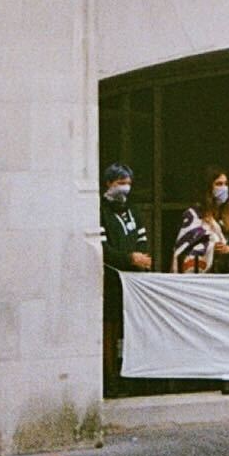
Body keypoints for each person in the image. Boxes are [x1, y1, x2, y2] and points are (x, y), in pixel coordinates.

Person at [99, 162, 152, 387]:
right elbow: (103, 248)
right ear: (109, 184)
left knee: (131, 325)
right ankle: (110, 376)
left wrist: (141, 257)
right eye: (121, 183)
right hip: (111, 279)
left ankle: (131, 375)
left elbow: (142, 238)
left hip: (134, 280)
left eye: (128, 184)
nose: (125, 188)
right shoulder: (100, 211)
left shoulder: (133, 210)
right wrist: (129, 258)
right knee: (110, 327)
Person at [170, 165, 229, 274]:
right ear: (209, 187)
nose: (224, 188)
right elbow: (184, 247)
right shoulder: (194, 215)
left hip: (227, 272)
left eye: (226, 184)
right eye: (219, 184)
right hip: (201, 275)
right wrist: (209, 249)